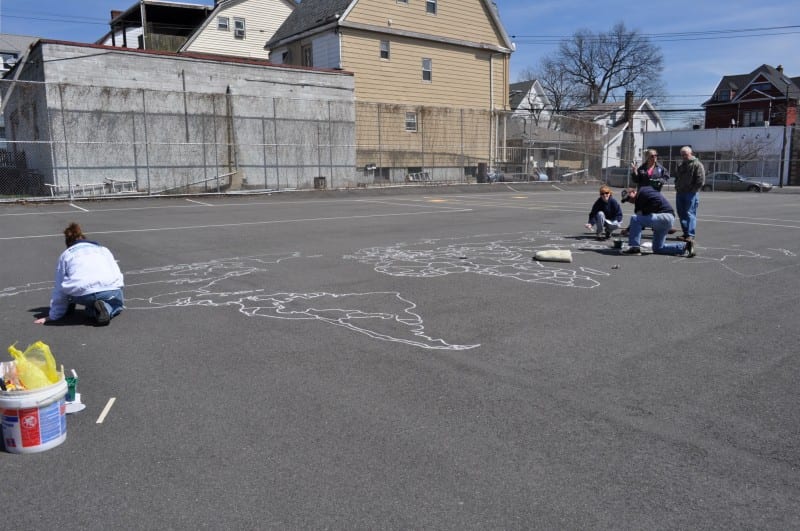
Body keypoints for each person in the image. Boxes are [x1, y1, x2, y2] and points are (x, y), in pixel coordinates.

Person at [34, 222, 125, 326]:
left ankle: (72, 306)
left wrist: (54, 315)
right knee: (117, 304)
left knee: (70, 287)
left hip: (83, 293)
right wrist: (117, 292)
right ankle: (104, 309)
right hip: (110, 289)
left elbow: (59, 288)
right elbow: (117, 273)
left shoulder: (66, 254)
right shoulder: (103, 250)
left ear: (68, 244)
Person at [620, 186, 696, 257]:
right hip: (662, 220)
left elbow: (657, 201)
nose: (629, 201)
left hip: (665, 216)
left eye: (629, 198)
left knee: (634, 218)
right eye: (626, 200)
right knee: (658, 248)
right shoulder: (638, 206)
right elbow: (639, 222)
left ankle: (634, 248)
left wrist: (645, 213)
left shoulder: (644, 191)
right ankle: (685, 246)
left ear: (633, 192)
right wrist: (627, 230)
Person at [674, 146, 705, 242]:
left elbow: (701, 180)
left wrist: (693, 190)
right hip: (680, 193)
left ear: (690, 153)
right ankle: (685, 233)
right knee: (681, 214)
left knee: (690, 213)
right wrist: (677, 186)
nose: (683, 156)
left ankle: (690, 235)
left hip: (691, 194)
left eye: (685, 154)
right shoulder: (681, 165)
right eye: (682, 155)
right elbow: (677, 178)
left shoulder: (697, 164)